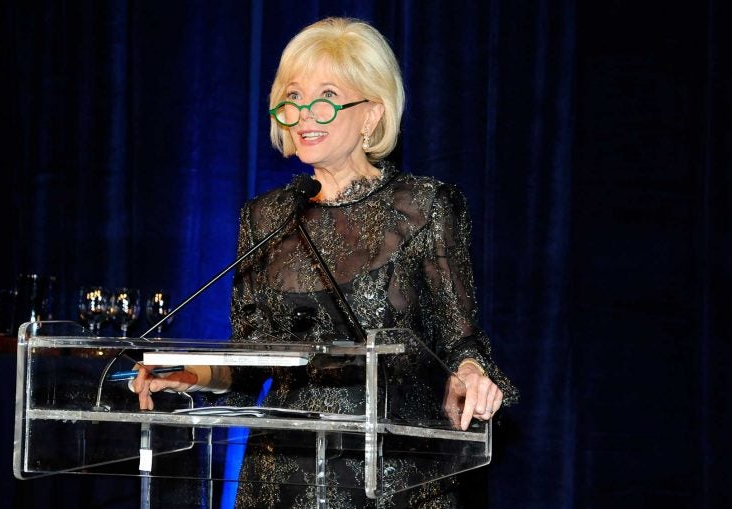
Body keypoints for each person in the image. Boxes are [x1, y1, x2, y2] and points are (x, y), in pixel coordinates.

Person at [133, 17, 518, 508]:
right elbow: (250, 359)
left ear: (372, 114)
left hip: (396, 473)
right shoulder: (266, 215)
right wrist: (188, 374)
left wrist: (470, 375)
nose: (303, 113)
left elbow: (461, 339)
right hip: (282, 474)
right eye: (292, 97)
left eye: (327, 96)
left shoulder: (425, 207)